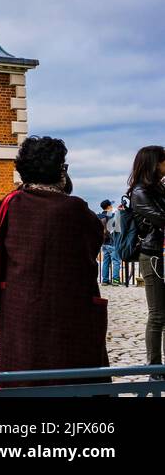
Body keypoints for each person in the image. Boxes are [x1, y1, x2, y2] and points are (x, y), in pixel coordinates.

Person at [0, 136, 107, 384]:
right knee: (71, 379)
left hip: (19, 308)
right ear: (59, 170)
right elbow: (95, 240)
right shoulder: (74, 208)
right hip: (67, 309)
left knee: (22, 378)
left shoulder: (10, 204)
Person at [128, 145, 165, 365]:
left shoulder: (157, 190)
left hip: (161, 253)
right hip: (152, 256)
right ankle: (154, 367)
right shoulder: (140, 192)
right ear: (154, 163)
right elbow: (162, 218)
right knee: (158, 314)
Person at [97, 198, 122, 286]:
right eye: (111, 205)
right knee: (116, 261)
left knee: (106, 262)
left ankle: (105, 280)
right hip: (112, 242)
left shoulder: (99, 216)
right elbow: (118, 228)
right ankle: (115, 280)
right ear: (109, 206)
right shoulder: (111, 216)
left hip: (103, 243)